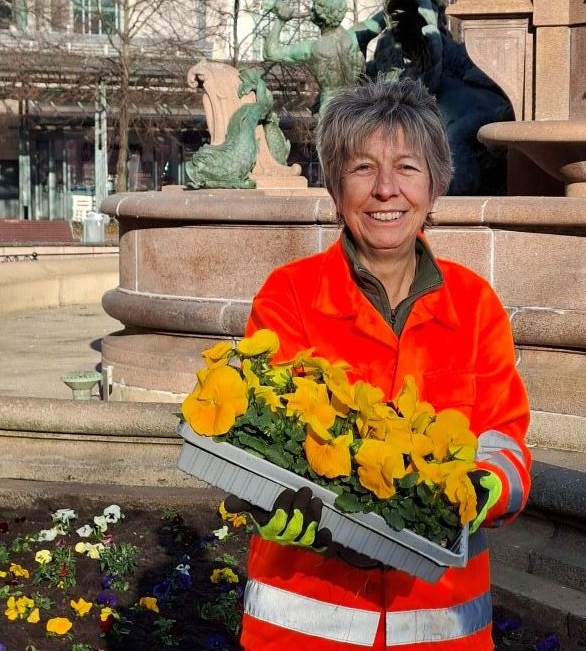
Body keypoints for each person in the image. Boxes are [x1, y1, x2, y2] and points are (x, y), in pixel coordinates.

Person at [227, 78, 531, 651]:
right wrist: (267, 498)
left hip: (443, 630)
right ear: (336, 189)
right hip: (305, 631)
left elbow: (506, 444)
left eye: (407, 168)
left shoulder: (475, 307)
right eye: (363, 168)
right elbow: (262, 439)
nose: (385, 190)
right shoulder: (288, 296)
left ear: (436, 184)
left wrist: (479, 491)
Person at [263, 0, 386, 113]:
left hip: (330, 110)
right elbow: (388, 14)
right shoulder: (357, 35)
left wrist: (280, 20)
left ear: (318, 15)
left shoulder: (310, 49)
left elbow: (270, 53)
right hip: (357, 105)